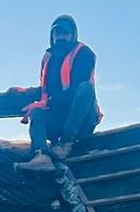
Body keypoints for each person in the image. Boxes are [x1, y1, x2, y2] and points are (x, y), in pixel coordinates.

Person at [14, 15, 101, 170]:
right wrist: (24, 93)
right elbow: (47, 91)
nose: (61, 36)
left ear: (73, 34)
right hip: (58, 119)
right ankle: (41, 155)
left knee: (85, 89)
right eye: (57, 33)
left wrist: (45, 103)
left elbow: (73, 91)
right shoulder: (49, 58)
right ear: (52, 36)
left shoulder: (84, 54)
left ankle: (66, 142)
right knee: (38, 111)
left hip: (80, 120)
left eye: (65, 33)